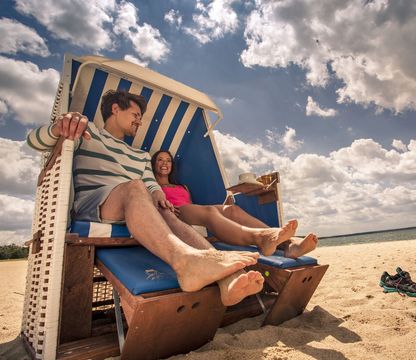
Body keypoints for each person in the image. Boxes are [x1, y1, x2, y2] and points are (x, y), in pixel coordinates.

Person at [27, 90, 264, 306]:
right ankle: (184, 262)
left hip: (137, 205)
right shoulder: (88, 132)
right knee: (135, 187)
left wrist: (160, 196)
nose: (139, 121)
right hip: (98, 203)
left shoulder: (140, 155)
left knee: (163, 209)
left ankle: (230, 280)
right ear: (115, 109)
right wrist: (59, 127)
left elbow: (152, 185)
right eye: (136, 114)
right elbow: (35, 142)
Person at [152, 150, 318, 258]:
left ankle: (290, 246)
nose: (165, 163)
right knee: (210, 211)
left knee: (232, 209)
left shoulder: (183, 187)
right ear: (154, 164)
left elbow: (194, 208)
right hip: (175, 212)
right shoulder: (152, 186)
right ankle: (262, 239)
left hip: (190, 211)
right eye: (160, 160)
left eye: (168, 160)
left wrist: (223, 208)